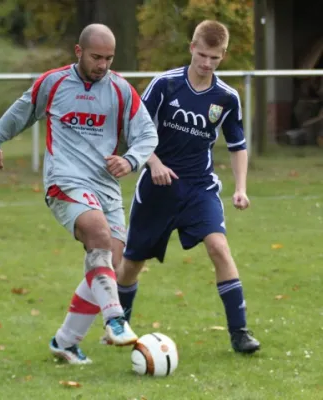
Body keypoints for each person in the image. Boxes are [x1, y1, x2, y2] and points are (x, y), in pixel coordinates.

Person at [0, 23, 158, 364]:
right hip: (63, 181)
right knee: (97, 233)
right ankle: (116, 319)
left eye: (109, 58)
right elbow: (21, 112)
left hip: (105, 187)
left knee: (113, 262)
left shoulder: (121, 90)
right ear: (79, 52)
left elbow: (147, 134)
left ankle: (65, 342)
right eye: (96, 57)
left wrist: (130, 159)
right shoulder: (53, 83)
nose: (102, 65)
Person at [114, 20, 260, 354]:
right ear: (191, 47)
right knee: (132, 263)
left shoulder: (226, 97)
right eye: (203, 54)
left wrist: (241, 188)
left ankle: (240, 334)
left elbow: (237, 145)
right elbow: (136, 130)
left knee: (219, 248)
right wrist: (154, 163)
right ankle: (118, 323)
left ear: (223, 56)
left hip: (199, 188)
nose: (207, 63)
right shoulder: (164, 85)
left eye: (215, 58)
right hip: (157, 188)